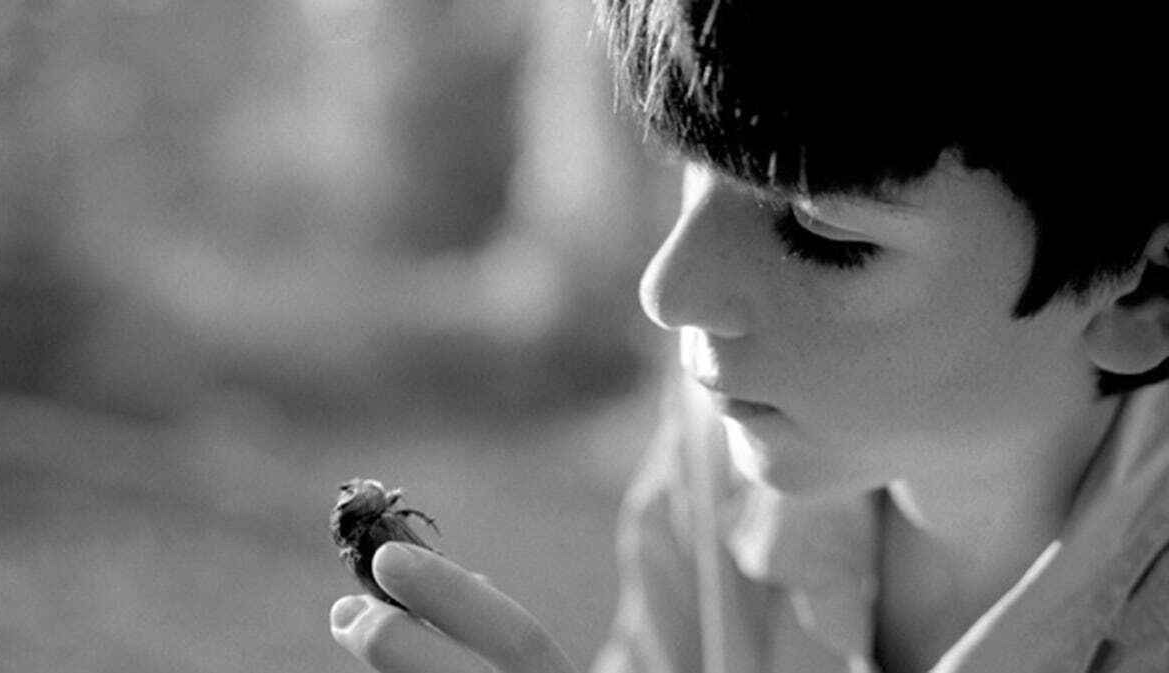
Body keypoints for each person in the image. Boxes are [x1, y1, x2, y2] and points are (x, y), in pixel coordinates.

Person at [328, 4, 1169, 672]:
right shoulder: (722, 455)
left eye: (822, 232)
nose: (667, 290)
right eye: (694, 166)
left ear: (1143, 293)